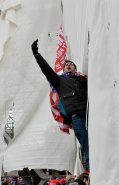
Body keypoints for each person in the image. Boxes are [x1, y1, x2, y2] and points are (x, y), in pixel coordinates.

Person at [31, 39, 89, 170]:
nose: (68, 65)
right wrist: (36, 55)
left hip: (89, 114)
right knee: (87, 146)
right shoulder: (59, 80)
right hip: (77, 117)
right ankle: (90, 170)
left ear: (75, 68)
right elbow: (46, 70)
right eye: (66, 64)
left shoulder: (82, 79)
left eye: (71, 64)